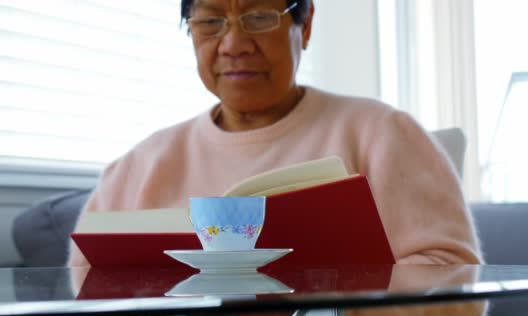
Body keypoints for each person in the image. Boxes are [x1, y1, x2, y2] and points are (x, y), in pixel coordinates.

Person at [68, 0, 481, 266]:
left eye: (259, 17)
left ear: (306, 23)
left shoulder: (384, 135)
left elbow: (454, 279)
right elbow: (83, 286)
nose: (233, 44)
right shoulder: (136, 168)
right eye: (210, 21)